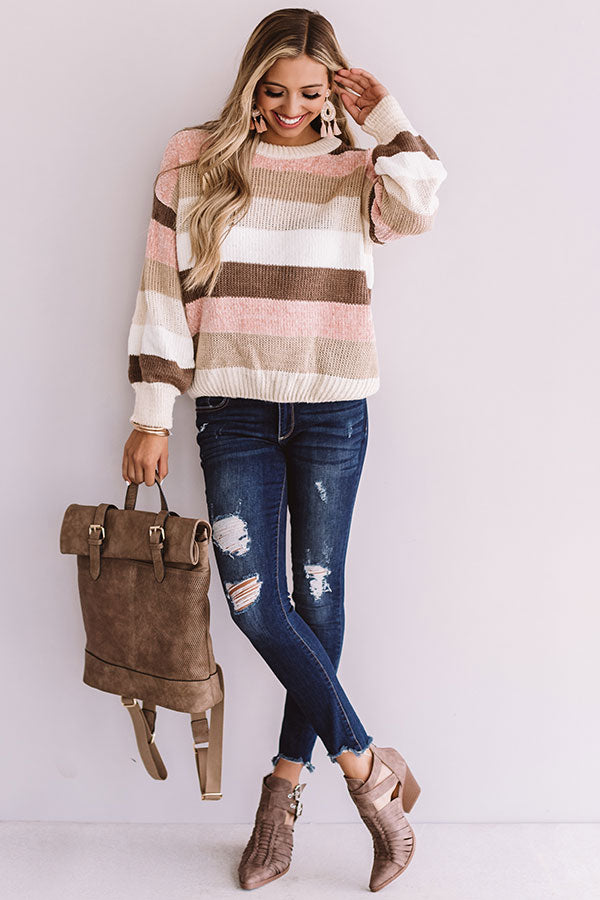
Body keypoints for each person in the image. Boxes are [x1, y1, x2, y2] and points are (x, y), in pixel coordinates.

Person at [122, 7, 447, 892]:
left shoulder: (360, 165)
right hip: (232, 408)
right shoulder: (195, 157)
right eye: (273, 90)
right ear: (249, 83)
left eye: (309, 92)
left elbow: (422, 205)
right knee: (256, 604)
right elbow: (160, 287)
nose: (290, 108)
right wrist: (151, 412)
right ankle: (370, 773)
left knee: (317, 596)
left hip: (333, 408)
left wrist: (384, 118)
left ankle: (282, 789)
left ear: (333, 89)